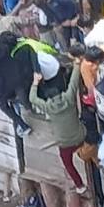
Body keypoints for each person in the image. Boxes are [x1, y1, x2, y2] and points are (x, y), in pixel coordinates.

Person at [29, 62, 88, 194]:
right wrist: (77, 63)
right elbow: (73, 81)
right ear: (60, 93)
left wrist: (35, 82)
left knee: (68, 163)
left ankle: (80, 186)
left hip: (65, 143)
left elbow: (32, 98)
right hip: (81, 136)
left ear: (48, 98)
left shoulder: (48, 107)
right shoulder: (68, 98)